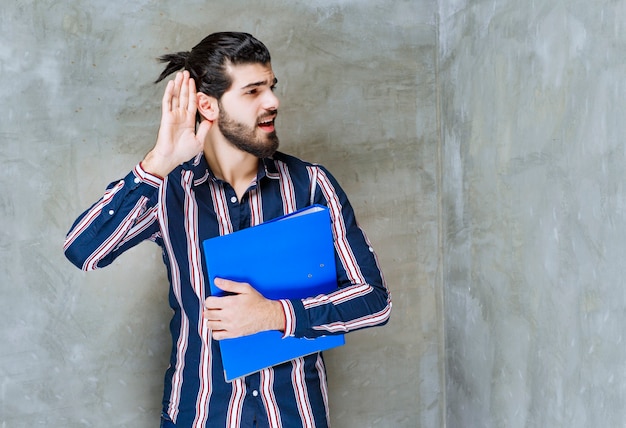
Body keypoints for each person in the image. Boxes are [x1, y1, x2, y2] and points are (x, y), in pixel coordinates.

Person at [64, 32, 391, 428]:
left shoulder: (312, 185)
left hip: (294, 416)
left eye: (271, 87)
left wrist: (277, 315)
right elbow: (83, 251)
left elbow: (375, 300)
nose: (273, 102)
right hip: (199, 414)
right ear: (208, 105)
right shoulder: (167, 190)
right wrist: (159, 161)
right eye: (253, 91)